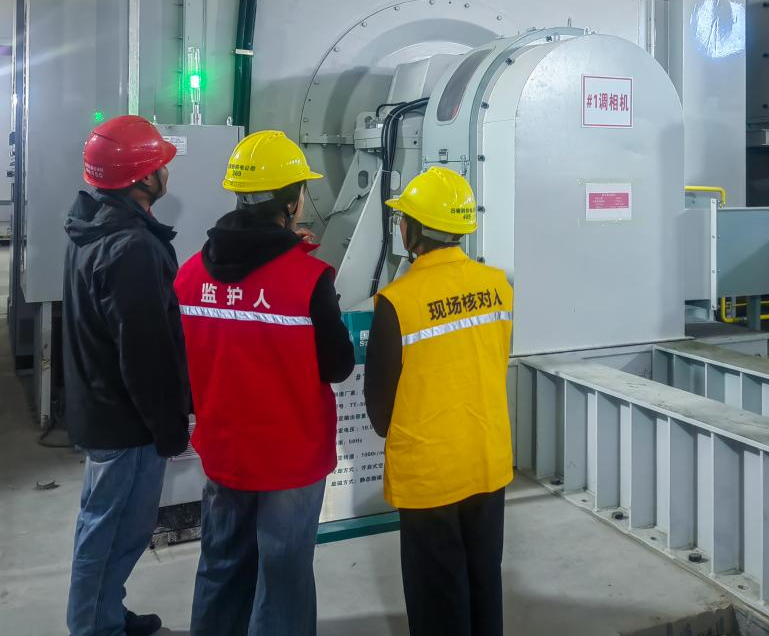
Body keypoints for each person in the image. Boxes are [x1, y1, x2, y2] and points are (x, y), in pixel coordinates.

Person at [174, 130, 354, 636]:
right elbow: (337, 366)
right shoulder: (309, 279)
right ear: (292, 201)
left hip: (225, 452)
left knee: (221, 565)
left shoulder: (189, 275)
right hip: (290, 460)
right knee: (283, 577)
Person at [364, 167, 514, 636]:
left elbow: (379, 409)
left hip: (430, 472)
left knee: (437, 597)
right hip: (486, 460)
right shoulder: (498, 285)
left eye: (402, 219)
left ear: (413, 230)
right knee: (484, 581)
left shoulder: (397, 302)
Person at [63, 115, 189, 636]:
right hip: (125, 419)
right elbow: (144, 352)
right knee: (111, 531)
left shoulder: (93, 225)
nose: (167, 172)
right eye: (160, 164)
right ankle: (94, 627)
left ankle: (105, 615)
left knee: (117, 529)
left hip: (104, 405)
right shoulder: (131, 247)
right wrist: (170, 426)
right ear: (142, 178)